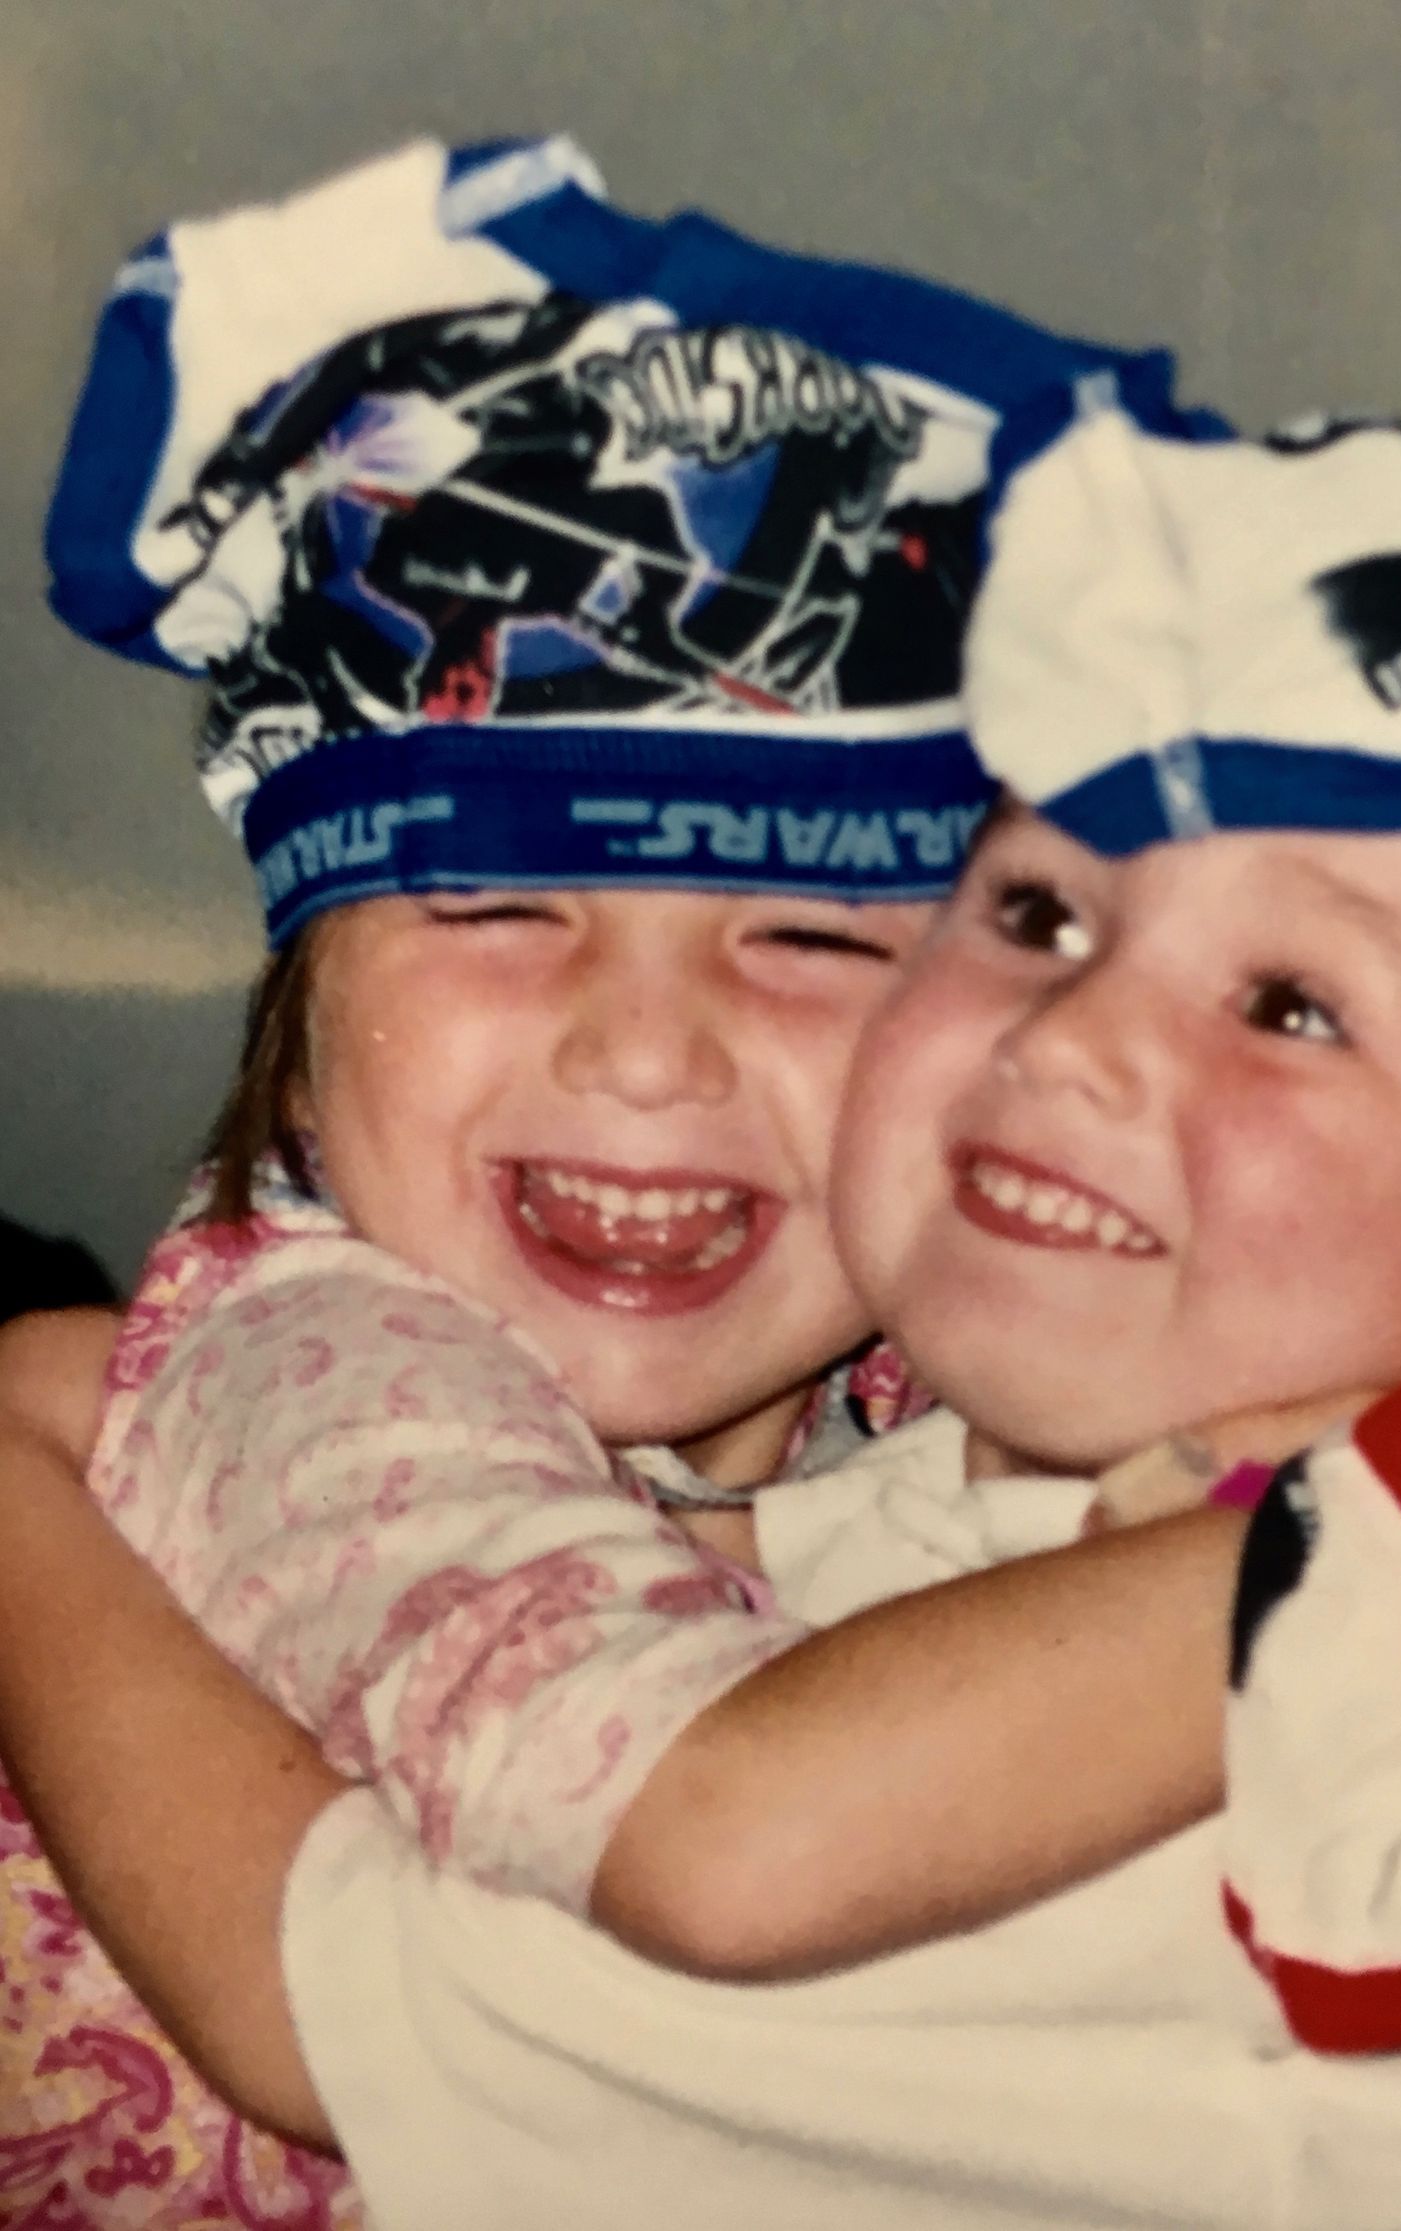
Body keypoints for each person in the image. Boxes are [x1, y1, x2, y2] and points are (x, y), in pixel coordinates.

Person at [8, 403, 1401, 2229]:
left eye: (1290, 1006)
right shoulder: (966, 1509)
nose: (1071, 1038)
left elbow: (463, 1939)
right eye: (1035, 917)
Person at [0, 134, 1215, 2231]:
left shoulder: (919, 1384)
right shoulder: (315, 1374)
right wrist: (1385, 1551)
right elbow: (671, 1849)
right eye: (493, 904)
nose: (647, 1050)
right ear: (305, 990)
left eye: (810, 934)